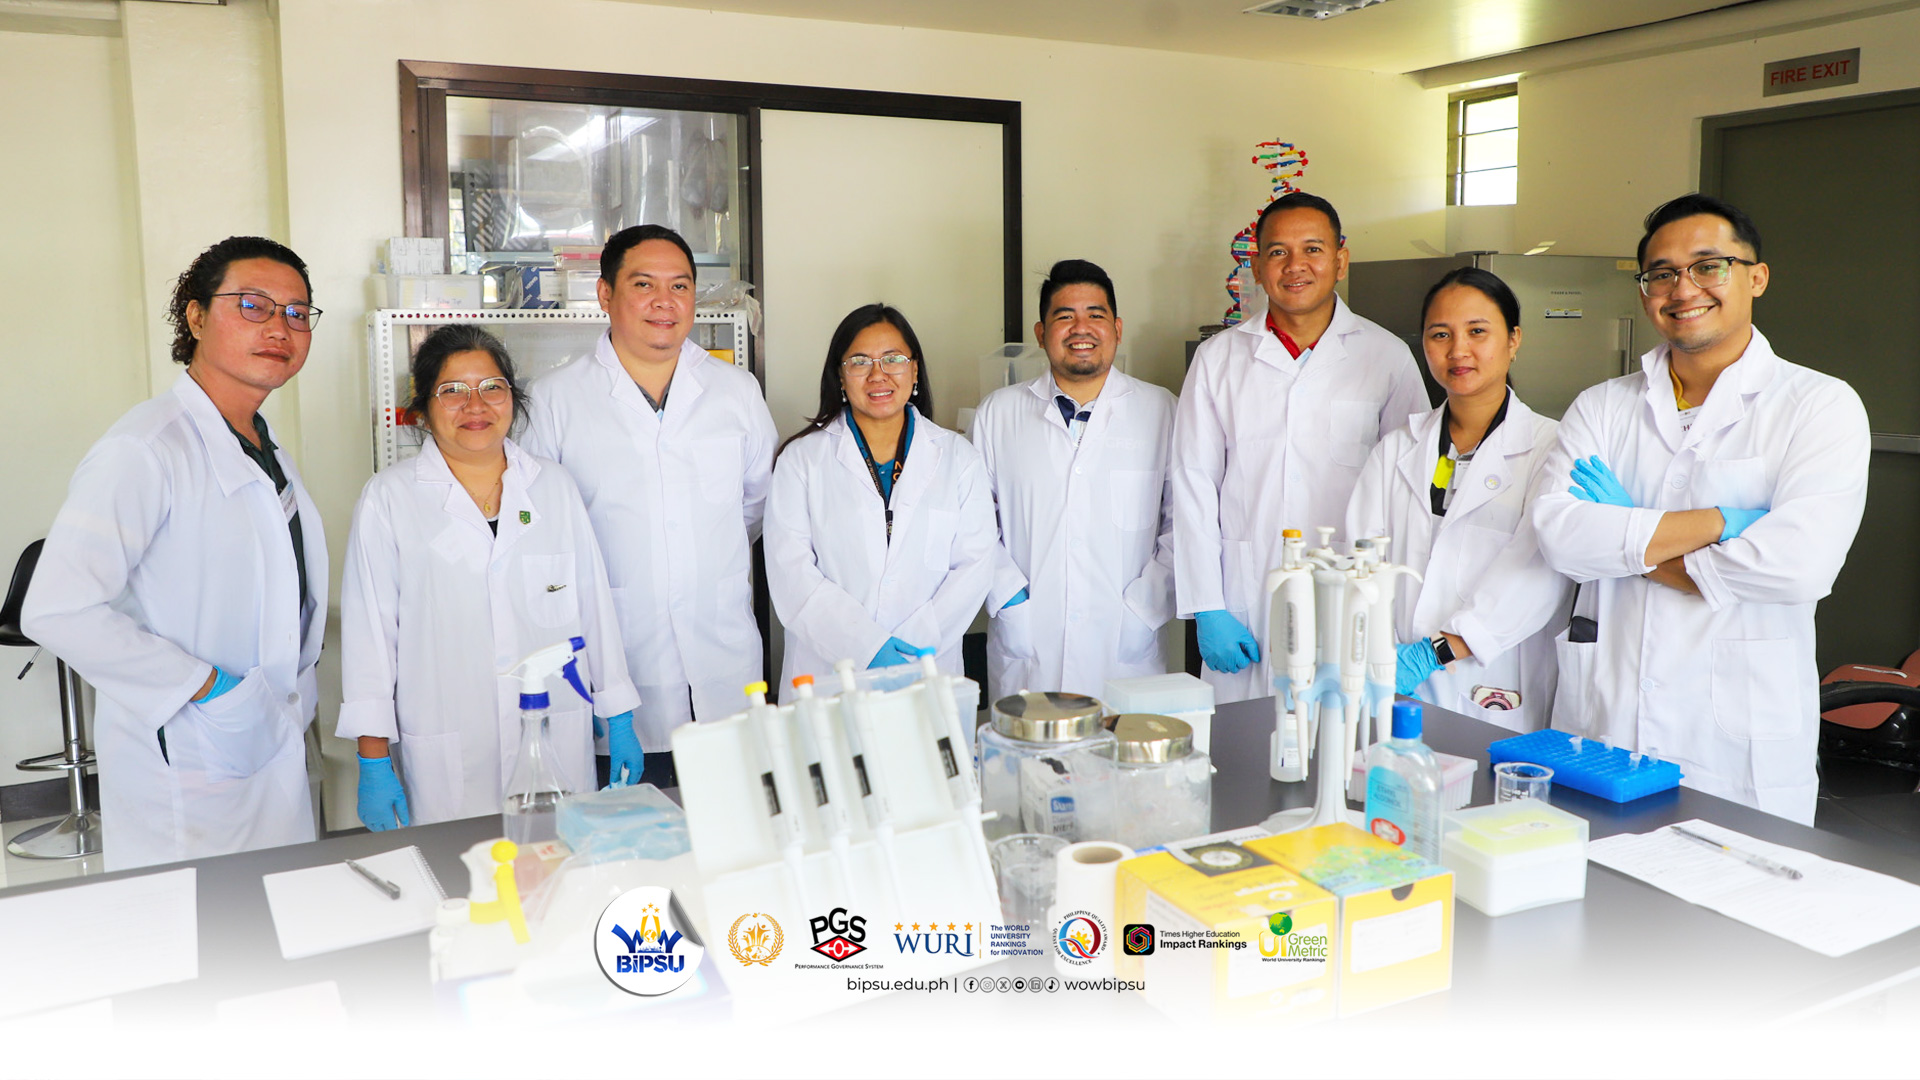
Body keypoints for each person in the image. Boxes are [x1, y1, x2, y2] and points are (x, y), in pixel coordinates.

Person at [1529, 193, 1870, 824]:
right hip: (1607, 719)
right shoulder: (1602, 406)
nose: (1683, 289)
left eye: (1708, 266)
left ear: (1756, 277)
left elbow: (1798, 565)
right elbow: (1560, 537)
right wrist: (1719, 524)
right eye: (1661, 273)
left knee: (1736, 880)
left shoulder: (1819, 405)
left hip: (1737, 742)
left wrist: (1628, 543)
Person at [22, 237, 327, 870]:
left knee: (276, 906)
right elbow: (56, 609)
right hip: (191, 750)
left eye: (297, 313)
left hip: (264, 734)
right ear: (196, 316)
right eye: (254, 305)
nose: (280, 328)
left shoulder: (262, 445)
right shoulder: (145, 448)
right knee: (203, 917)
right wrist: (209, 689)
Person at [336, 326, 642, 829]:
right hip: (451, 748)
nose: (475, 405)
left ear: (513, 399)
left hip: (555, 737)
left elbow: (593, 608)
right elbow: (370, 640)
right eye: (452, 390)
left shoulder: (554, 487)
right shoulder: (389, 499)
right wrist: (373, 760)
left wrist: (619, 715)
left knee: (558, 862)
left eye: (492, 387)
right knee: (463, 871)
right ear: (423, 408)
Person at [521, 225, 776, 787]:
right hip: (616, 664)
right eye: (644, 284)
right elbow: (542, 537)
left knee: (734, 820)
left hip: (723, 660)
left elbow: (756, 505)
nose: (665, 301)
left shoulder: (737, 391)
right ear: (605, 294)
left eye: (680, 286)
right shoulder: (555, 398)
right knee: (631, 828)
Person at [1172, 191, 1429, 704]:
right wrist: (1206, 605)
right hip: (1246, 597)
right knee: (1243, 741)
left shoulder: (1387, 356)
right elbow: (1192, 483)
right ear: (1256, 266)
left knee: (1341, 737)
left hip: (1350, 594)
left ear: (1341, 259)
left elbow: (1410, 485)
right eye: (1278, 252)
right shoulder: (1218, 359)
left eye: (1313, 249)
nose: (1295, 266)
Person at [1345, 267, 1571, 733]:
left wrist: (1437, 652)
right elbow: (1360, 560)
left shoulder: (1551, 449)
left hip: (1495, 677)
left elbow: (1537, 577)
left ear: (1513, 339)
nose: (1458, 350)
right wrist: (1376, 655)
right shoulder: (1397, 448)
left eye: (1477, 331)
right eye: (1440, 334)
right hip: (1394, 677)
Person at [970, 259, 1176, 699]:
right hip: (1029, 645)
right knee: (1027, 743)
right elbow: (974, 526)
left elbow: (1183, 522)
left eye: (1095, 315)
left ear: (1117, 329)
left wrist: (1145, 608)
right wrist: (1011, 601)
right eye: (1064, 317)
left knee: (1125, 742)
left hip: (1125, 644)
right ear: (1041, 333)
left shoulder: (1161, 410)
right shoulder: (998, 414)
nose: (1081, 328)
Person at [765, 304, 996, 688]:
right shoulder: (801, 461)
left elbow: (975, 567)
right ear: (840, 376)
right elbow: (792, 576)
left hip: (927, 669)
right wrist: (867, 648)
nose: (878, 374)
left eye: (893, 359)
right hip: (832, 675)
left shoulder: (959, 459)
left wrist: (911, 650)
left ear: (915, 370)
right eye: (859, 362)